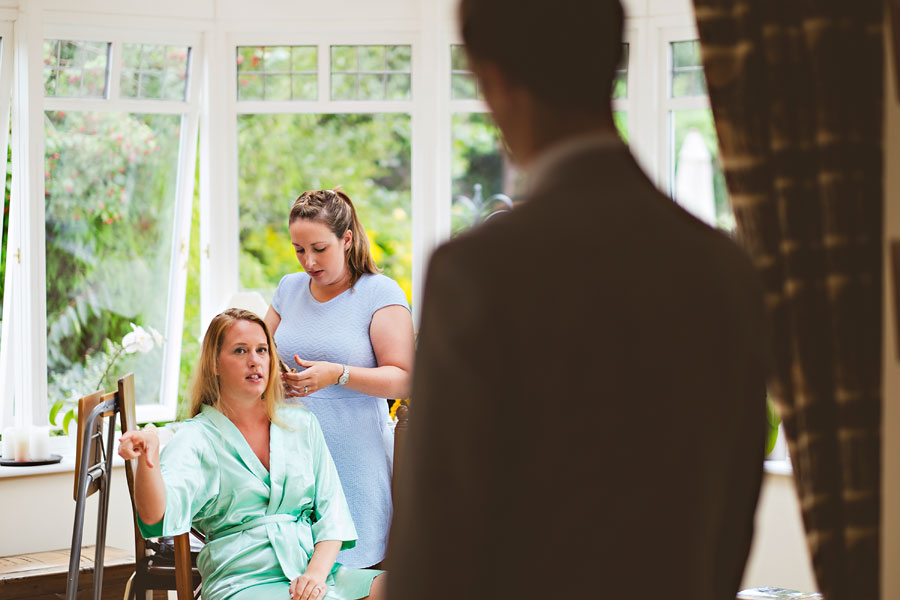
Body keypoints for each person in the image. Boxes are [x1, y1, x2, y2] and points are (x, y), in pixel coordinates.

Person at [385, 1, 770, 600]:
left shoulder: (479, 272)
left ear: (495, 80)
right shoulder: (723, 267)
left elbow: (436, 543)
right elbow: (733, 518)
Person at [118, 308, 386, 600]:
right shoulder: (196, 437)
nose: (254, 361)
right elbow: (155, 516)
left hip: (311, 572)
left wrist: (315, 576)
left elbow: (333, 515)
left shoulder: (301, 424)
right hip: (242, 581)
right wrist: (149, 461)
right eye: (240, 351)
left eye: (262, 350)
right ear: (214, 365)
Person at [264, 188, 415, 569]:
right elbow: (260, 353)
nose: (308, 261)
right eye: (299, 250)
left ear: (346, 239)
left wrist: (337, 375)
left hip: (353, 457)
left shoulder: (378, 293)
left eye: (319, 248)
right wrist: (272, 379)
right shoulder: (289, 289)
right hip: (291, 459)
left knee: (350, 571)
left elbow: (404, 378)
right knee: (295, 575)